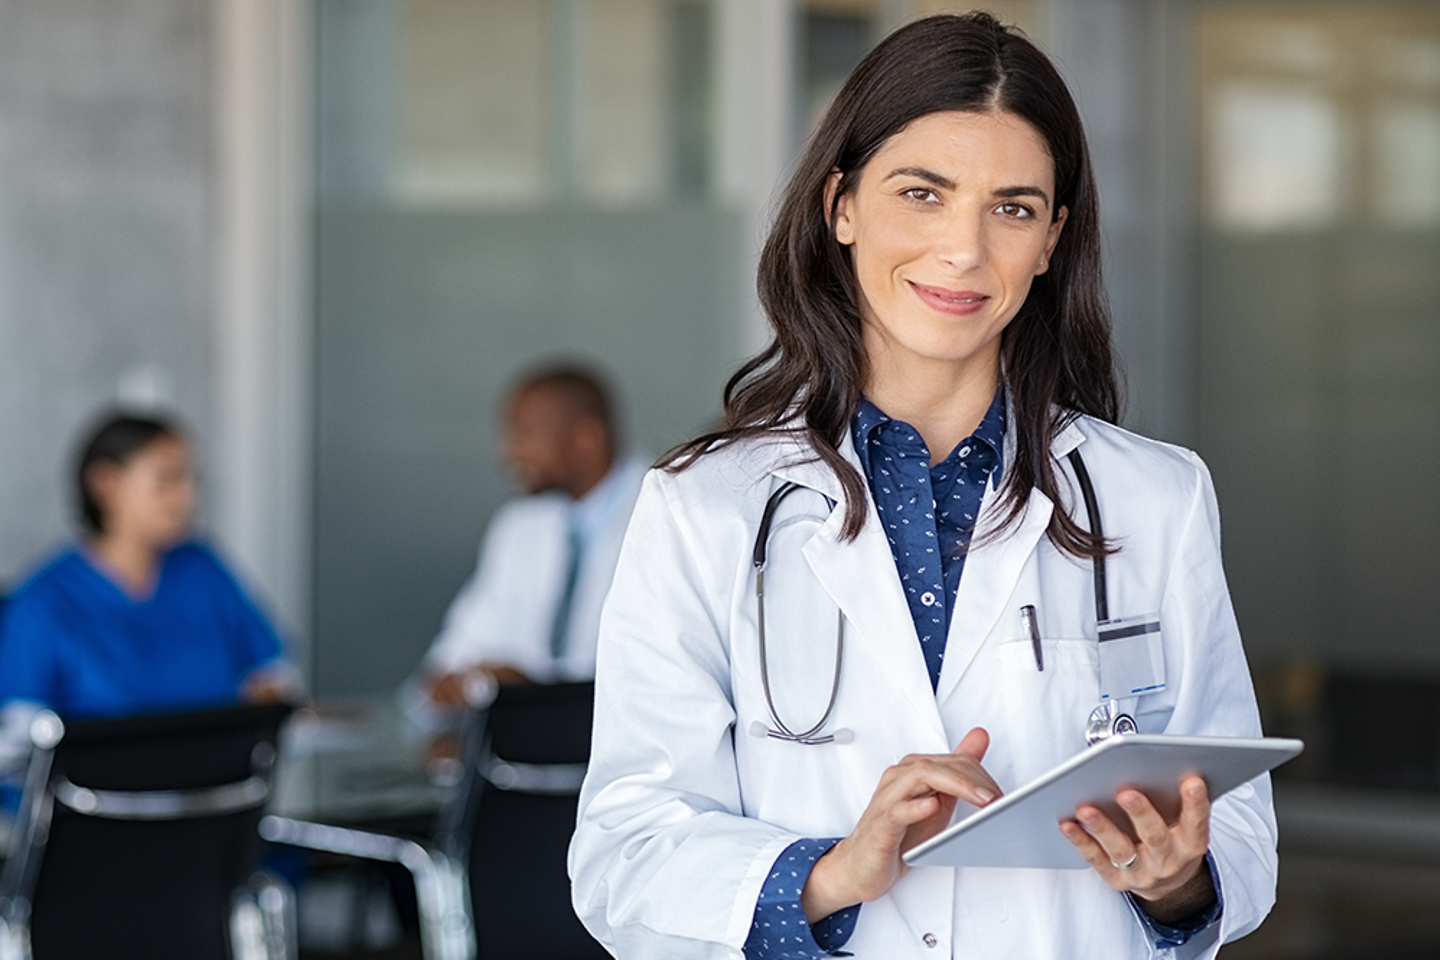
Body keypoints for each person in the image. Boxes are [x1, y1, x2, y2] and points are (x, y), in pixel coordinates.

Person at [569, 13, 1276, 959]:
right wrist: (829, 874)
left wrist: (1180, 877)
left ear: (1053, 239)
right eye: (923, 193)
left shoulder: (1157, 499)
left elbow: (1239, 834)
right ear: (842, 206)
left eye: (1013, 208)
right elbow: (624, 854)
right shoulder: (704, 508)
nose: (963, 251)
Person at [0, 411, 294, 728]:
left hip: (218, 775)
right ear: (106, 483)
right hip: (96, 779)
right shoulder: (42, 603)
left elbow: (270, 677)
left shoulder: (204, 571)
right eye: (167, 480)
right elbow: (21, 742)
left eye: (191, 480)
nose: (187, 496)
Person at [413, 364, 647, 712]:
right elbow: (461, 647)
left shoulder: (666, 518)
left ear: (587, 439)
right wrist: (456, 679)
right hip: (522, 753)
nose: (508, 454)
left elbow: (651, 678)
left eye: (526, 435)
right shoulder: (519, 527)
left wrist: (535, 690)